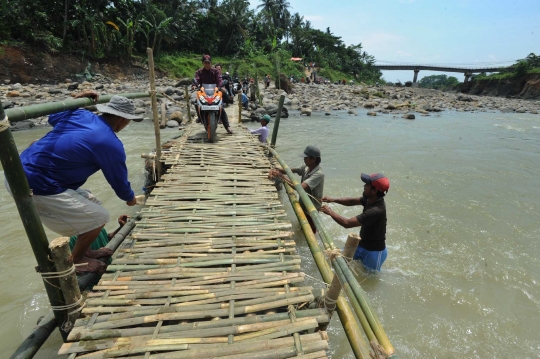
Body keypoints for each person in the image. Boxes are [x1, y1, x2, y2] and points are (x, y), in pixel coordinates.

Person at [9, 92, 142, 273]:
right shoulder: (110, 143)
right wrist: (130, 198)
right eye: (128, 121)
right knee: (99, 217)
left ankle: (85, 250)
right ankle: (77, 259)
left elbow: (53, 115)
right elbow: (118, 182)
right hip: (37, 183)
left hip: (16, 172)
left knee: (91, 200)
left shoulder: (81, 114)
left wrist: (77, 98)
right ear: (122, 119)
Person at [320, 173, 390, 272]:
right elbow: (352, 201)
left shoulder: (376, 211)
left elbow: (347, 223)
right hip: (361, 245)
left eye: (367, 185)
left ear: (374, 190)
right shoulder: (369, 199)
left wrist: (330, 212)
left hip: (374, 252)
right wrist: (333, 199)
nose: (364, 186)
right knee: (336, 261)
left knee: (370, 278)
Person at [270, 145, 324, 233]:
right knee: (302, 227)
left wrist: (282, 177)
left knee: (310, 230)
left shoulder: (318, 174)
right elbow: (290, 171)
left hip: (311, 208)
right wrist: (277, 170)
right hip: (303, 203)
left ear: (313, 159)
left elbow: (300, 188)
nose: (304, 159)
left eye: (306, 158)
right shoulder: (306, 167)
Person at [194, 55, 233, 134]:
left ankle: (227, 126)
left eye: (208, 63)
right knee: (196, 103)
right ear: (203, 63)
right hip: (203, 92)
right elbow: (196, 79)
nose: (207, 64)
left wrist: (220, 86)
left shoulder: (215, 71)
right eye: (205, 63)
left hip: (215, 92)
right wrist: (194, 85)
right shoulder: (199, 72)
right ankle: (200, 117)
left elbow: (219, 80)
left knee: (221, 107)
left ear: (211, 63)